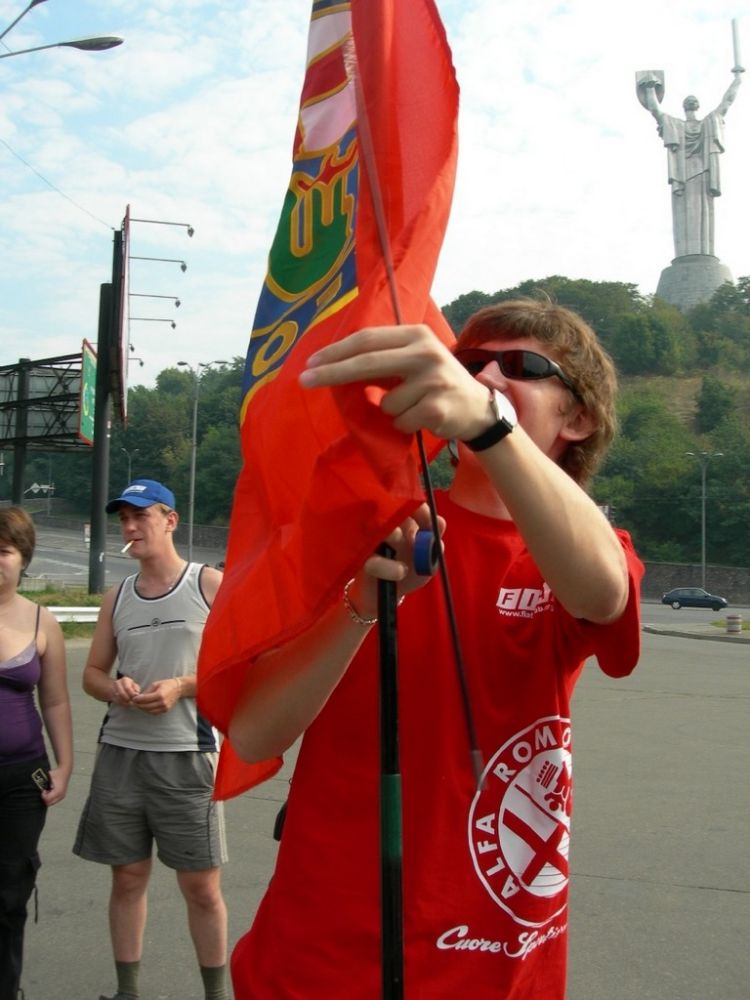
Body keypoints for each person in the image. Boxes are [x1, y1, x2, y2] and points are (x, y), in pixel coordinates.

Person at [225, 301, 644, 998]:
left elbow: (602, 595)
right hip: (321, 963)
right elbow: (254, 730)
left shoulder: (583, 552)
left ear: (577, 419)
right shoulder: (370, 523)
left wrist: (488, 424)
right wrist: (362, 603)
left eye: (521, 367)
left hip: (499, 964)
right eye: (469, 362)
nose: (482, 375)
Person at [72, 480, 229, 1000]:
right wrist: (114, 689)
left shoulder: (209, 584)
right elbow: (92, 674)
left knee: (201, 888)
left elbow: (244, 670)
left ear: (170, 520)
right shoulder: (117, 597)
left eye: (141, 516)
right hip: (122, 754)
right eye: (123, 519)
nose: (130, 527)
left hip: (189, 757)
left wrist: (183, 687)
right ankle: (128, 992)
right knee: (127, 879)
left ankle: (214, 994)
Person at [0, 506, 73, 1000]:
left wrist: (65, 766)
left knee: (9, 895)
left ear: (23, 558)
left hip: (21, 780)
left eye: (3, 551)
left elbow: (56, 699)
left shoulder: (43, 621)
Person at [637, 66, 743, 258]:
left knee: (704, 212)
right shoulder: (676, 124)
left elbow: (727, 102)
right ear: (690, 106)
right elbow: (655, 110)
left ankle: (703, 254)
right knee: (684, 216)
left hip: (701, 174)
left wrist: (737, 81)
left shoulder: (704, 122)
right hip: (684, 176)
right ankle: (688, 255)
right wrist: (649, 88)